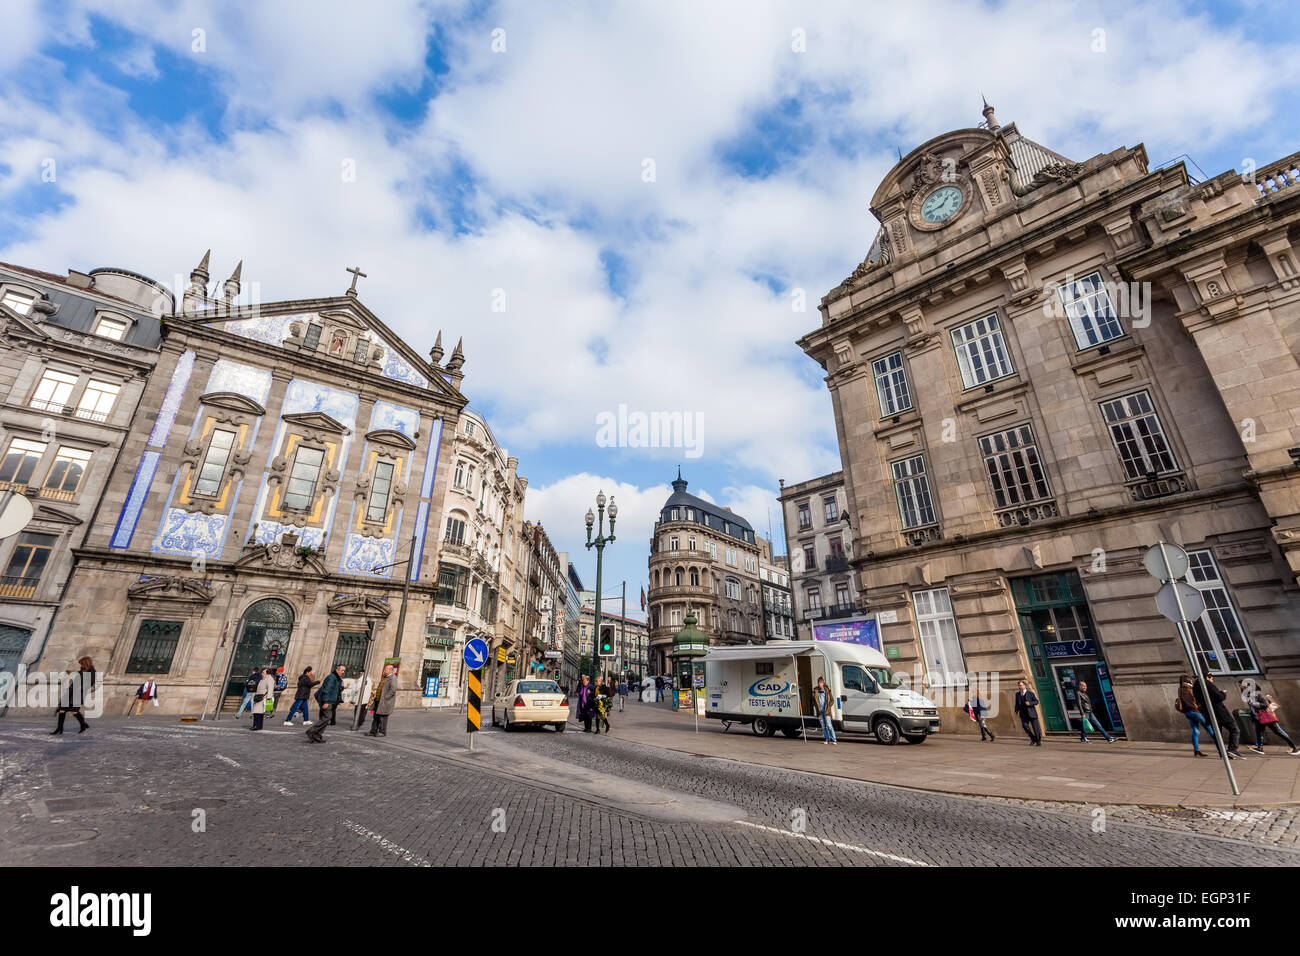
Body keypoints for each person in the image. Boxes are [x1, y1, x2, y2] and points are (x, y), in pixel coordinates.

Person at [1193, 672, 1244, 759]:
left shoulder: (1196, 686)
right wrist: (1223, 693)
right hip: (1219, 712)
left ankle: (1223, 753)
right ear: (1208, 677)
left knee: (1217, 734)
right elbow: (1218, 697)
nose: (1213, 679)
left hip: (1208, 713)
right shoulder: (1207, 684)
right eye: (1212, 678)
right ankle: (1232, 749)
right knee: (1235, 729)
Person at [1241, 681, 1300, 755]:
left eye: (1246, 687)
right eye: (1243, 687)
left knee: (1278, 731)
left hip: (1266, 716)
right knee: (1259, 732)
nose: (1244, 688)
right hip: (1258, 717)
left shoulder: (1258, 693)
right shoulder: (1250, 695)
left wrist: (1254, 704)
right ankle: (1259, 748)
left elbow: (1265, 705)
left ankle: (1294, 748)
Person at [51, 657, 95, 735]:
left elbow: (90, 683)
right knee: (62, 709)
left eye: (81, 663)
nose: (80, 665)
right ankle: (59, 728)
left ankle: (83, 725)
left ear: (85, 663)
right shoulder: (82, 670)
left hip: (78, 694)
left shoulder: (91, 672)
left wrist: (80, 687)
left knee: (74, 711)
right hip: (71, 692)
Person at [1175, 674, 1215, 757]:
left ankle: (1196, 751)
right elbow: (1196, 700)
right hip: (1196, 712)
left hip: (1188, 713)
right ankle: (1223, 749)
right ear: (1188, 681)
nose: (1192, 681)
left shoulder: (1180, 689)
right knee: (1210, 729)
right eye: (1190, 680)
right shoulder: (1191, 689)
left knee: (1195, 731)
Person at [307, 665, 346, 743]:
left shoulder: (336, 678)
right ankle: (311, 731)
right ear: (337, 670)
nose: (343, 672)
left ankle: (317, 735)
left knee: (324, 718)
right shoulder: (332, 678)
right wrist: (326, 701)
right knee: (327, 717)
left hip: (331, 701)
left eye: (344, 671)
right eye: (342, 670)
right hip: (327, 701)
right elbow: (326, 690)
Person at [368, 664, 399, 736]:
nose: (384, 670)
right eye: (385, 669)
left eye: (386, 669)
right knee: (375, 716)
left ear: (391, 670)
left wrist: (386, 697)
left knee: (383, 717)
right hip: (378, 700)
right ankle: (373, 731)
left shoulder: (393, 678)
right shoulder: (384, 677)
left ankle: (382, 732)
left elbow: (393, 689)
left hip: (385, 701)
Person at [1013, 680, 1042, 746]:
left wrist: (1030, 703)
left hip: (1032, 713)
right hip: (1023, 714)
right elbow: (1016, 704)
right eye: (1019, 685)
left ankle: (1038, 740)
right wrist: (1016, 711)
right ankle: (1033, 738)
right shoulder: (1017, 694)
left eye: (1021, 685)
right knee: (1025, 726)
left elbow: (1036, 701)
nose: (1019, 687)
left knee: (1036, 728)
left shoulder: (1030, 693)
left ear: (1024, 686)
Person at [814, 676, 837, 745]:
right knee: (823, 726)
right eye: (818, 683)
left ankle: (834, 740)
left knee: (829, 726)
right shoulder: (815, 691)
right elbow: (814, 700)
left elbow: (832, 700)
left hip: (827, 711)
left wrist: (828, 707)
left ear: (823, 683)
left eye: (821, 683)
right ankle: (827, 739)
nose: (819, 684)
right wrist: (815, 706)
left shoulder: (827, 690)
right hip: (820, 711)